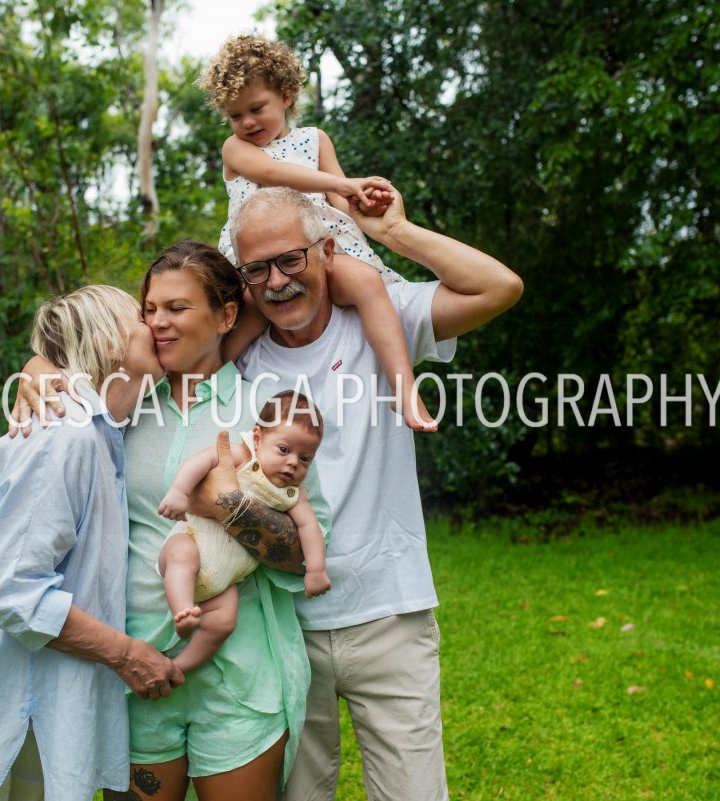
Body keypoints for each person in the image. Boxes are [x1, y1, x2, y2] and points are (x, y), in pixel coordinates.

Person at [0, 242, 333, 801]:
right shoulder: (121, 405)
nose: (159, 322)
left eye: (177, 308)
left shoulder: (268, 414)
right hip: (131, 671)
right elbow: (42, 460)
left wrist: (228, 505)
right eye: (149, 310)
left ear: (226, 316)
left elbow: (307, 552)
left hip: (240, 674)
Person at [218, 186, 522, 801]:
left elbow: (499, 288)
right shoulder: (235, 357)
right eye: (257, 270)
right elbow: (143, 349)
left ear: (328, 252)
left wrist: (393, 232)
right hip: (280, 625)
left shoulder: (384, 318)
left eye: (291, 260)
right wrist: (39, 378)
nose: (277, 282)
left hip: (390, 614)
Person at [0, 285, 183, 801]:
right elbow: (14, 592)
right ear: (107, 342)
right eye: (140, 316)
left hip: (30, 695)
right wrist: (128, 655)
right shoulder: (64, 435)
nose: (154, 324)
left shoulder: (102, 431)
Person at [199, 34, 435, 432]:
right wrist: (343, 183)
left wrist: (363, 202)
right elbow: (273, 173)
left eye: (256, 108)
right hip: (259, 267)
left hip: (317, 251)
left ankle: (403, 388)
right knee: (237, 330)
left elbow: (339, 202)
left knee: (366, 283)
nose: (247, 122)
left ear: (286, 95)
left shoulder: (315, 139)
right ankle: (206, 391)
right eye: (236, 115)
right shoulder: (235, 149)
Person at [157, 389, 330, 673]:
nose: (292, 463)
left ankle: (179, 667)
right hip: (191, 540)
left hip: (225, 582)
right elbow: (201, 461)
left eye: (305, 459)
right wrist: (179, 491)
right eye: (284, 450)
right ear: (258, 438)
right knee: (182, 556)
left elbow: (309, 527)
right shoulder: (243, 457)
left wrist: (316, 569)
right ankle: (183, 611)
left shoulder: (293, 493)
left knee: (224, 621)